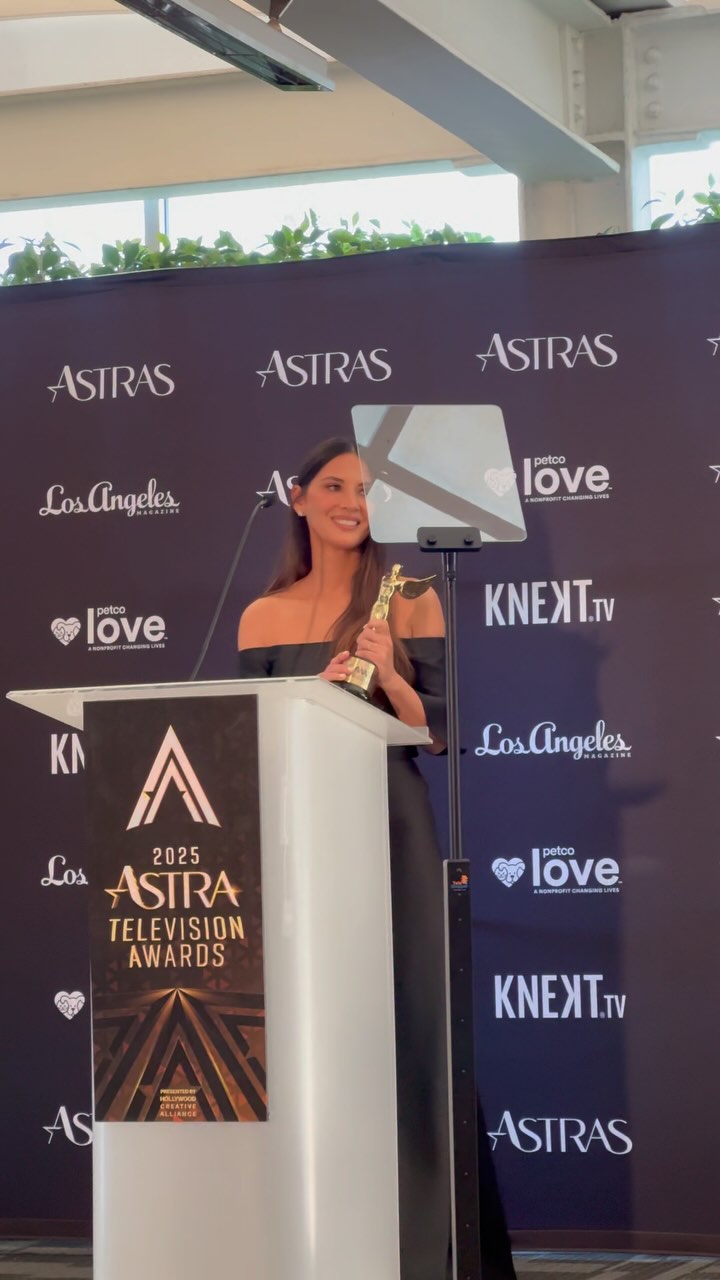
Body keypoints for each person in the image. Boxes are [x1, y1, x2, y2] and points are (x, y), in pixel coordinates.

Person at [237, 437, 516, 1280]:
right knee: (305, 1030)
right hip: (295, 838)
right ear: (297, 498)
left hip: (390, 825)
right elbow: (248, 744)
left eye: (365, 490)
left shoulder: (412, 598)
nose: (350, 503)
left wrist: (389, 675)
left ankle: (430, 1249)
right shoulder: (261, 615)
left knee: (413, 1021)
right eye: (333, 486)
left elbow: (437, 734)